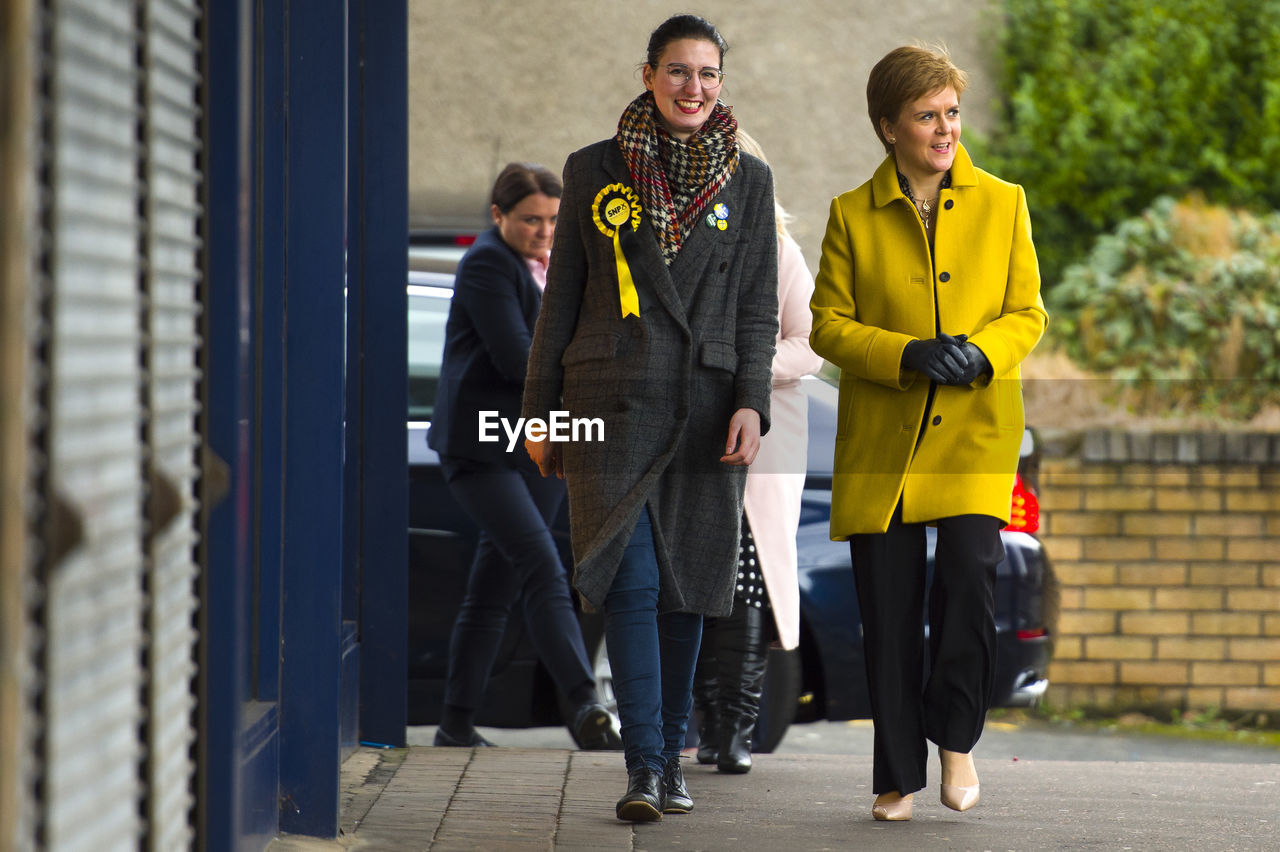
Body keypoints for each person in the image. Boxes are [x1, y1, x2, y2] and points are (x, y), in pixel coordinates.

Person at [521, 14, 779, 822]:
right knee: (629, 589)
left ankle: (670, 762)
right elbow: (559, 304)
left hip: (705, 414)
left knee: (685, 591)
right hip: (609, 407)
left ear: (720, 84)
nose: (692, 87)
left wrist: (752, 402)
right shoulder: (592, 169)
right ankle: (644, 768)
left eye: (706, 74)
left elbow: (757, 308)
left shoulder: (750, 179)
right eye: (677, 71)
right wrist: (541, 416)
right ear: (648, 75)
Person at [809, 45, 1048, 822]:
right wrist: (905, 353)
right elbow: (827, 327)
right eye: (926, 116)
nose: (945, 129)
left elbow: (1028, 313)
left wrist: (981, 352)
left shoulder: (1005, 201)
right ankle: (894, 774)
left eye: (951, 112)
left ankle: (956, 740)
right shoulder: (851, 213)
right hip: (886, 440)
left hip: (976, 430)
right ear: (888, 127)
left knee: (970, 580)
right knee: (887, 602)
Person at [428, 162, 620, 751]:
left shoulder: (554, 266)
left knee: (494, 587)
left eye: (554, 219)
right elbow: (519, 358)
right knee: (541, 565)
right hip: (484, 449)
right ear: (498, 216)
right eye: (530, 219)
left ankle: (455, 724)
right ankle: (584, 703)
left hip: (538, 444)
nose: (544, 230)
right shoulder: (487, 262)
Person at [691, 129, 822, 774]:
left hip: (763, 436)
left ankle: (735, 732)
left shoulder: (778, 249)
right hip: (691, 436)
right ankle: (704, 729)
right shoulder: (681, 243)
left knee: (747, 582)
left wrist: (740, 368)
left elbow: (812, 343)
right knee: (695, 582)